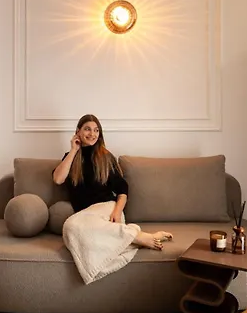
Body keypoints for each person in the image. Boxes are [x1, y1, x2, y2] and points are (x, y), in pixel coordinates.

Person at [52, 114, 173, 284]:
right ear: (78, 131)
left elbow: (122, 189)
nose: (92, 134)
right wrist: (73, 150)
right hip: (87, 217)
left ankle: (137, 236)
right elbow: (58, 179)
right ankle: (136, 236)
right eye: (87, 129)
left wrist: (117, 211)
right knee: (70, 227)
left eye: (96, 130)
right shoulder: (71, 157)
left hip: (107, 208)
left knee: (73, 226)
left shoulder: (105, 157)